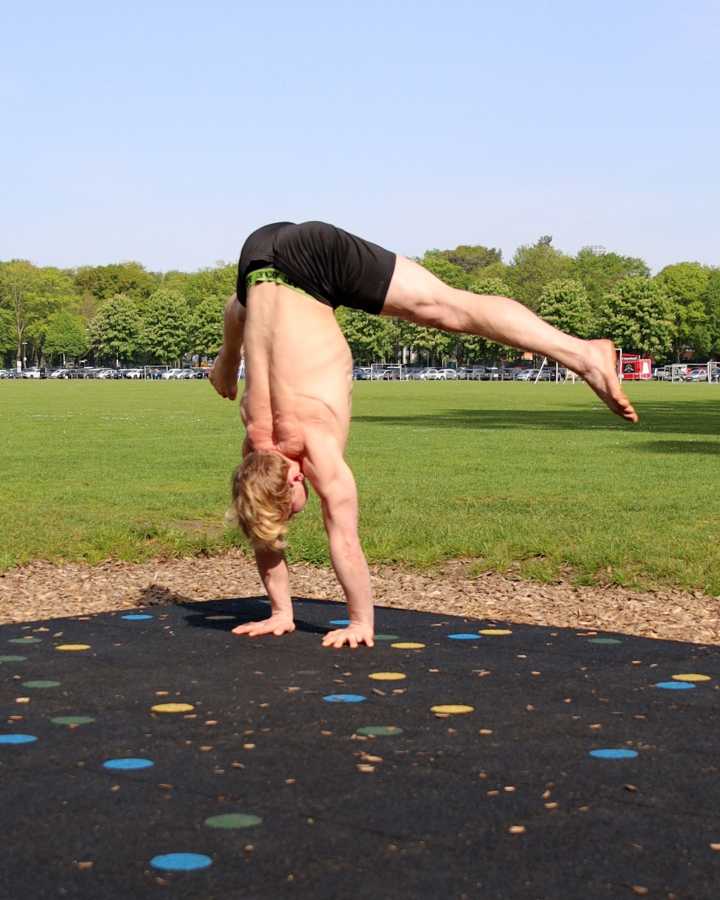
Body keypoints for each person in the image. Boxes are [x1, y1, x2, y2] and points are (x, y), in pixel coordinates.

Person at [210, 221, 638, 649]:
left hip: (316, 258)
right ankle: (224, 361)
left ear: (295, 481)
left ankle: (584, 354)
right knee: (250, 303)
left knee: (447, 308)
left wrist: (361, 622)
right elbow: (264, 531)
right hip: (258, 257)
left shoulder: (315, 448)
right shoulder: (255, 450)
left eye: (291, 514)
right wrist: (281, 613)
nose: (294, 519)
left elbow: (343, 539)